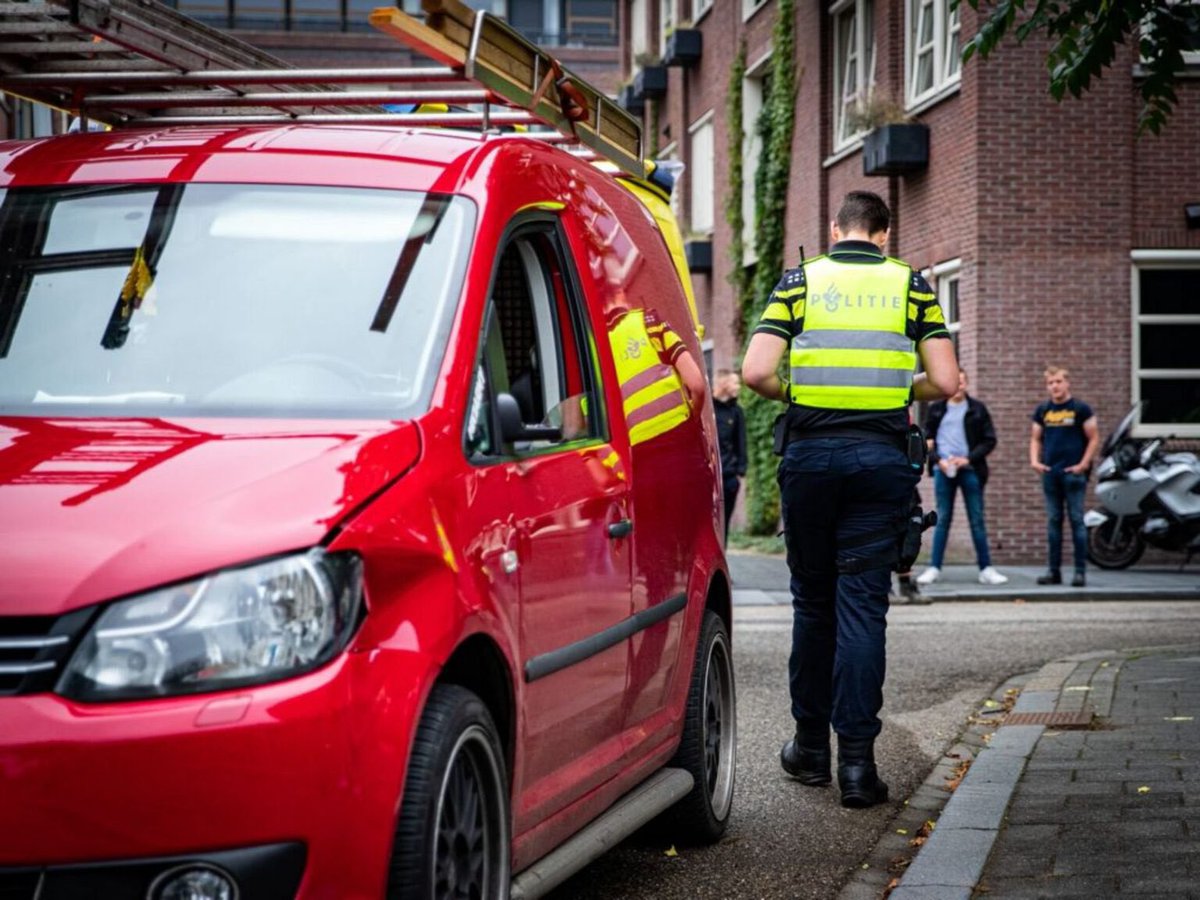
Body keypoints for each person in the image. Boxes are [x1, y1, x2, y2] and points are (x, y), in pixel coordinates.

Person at [742, 190, 958, 808]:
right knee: (863, 609)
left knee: (813, 605)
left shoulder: (800, 282)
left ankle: (810, 751)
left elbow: (757, 372)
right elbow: (945, 381)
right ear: (885, 234)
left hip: (811, 459)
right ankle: (859, 770)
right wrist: (896, 386)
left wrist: (804, 392)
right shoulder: (911, 286)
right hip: (881, 461)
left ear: (836, 229)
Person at [917, 369, 1008, 586]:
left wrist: (968, 459)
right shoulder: (936, 409)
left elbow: (989, 440)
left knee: (976, 520)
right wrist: (938, 460)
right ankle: (934, 568)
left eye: (961, 381)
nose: (958, 385)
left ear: (966, 384)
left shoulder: (977, 409)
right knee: (943, 518)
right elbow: (926, 439)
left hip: (970, 471)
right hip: (943, 470)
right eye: (954, 381)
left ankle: (986, 569)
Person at [1030, 365, 1099, 587]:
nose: (1055, 386)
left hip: (1074, 475)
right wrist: (1034, 461)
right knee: (1053, 522)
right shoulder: (1043, 410)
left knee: (1077, 521)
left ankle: (1080, 572)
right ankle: (1054, 572)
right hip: (1051, 474)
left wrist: (1083, 464)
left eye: (1058, 381)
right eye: (1050, 383)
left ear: (1067, 383)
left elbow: (1094, 438)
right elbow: (1035, 438)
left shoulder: (1081, 409)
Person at [712, 368, 748, 542]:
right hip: (708, 479)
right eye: (735, 382)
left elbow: (741, 442)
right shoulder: (707, 408)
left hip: (728, 478)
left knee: (724, 526)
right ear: (724, 384)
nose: (739, 387)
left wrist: (740, 472)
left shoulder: (736, 412)